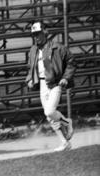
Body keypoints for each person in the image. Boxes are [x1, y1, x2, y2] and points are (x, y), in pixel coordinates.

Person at [26, 22, 76, 151]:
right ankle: (65, 143)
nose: (36, 37)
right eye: (34, 35)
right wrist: (30, 79)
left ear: (45, 32)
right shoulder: (33, 50)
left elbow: (71, 62)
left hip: (55, 83)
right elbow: (31, 68)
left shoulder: (58, 47)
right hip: (42, 84)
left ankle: (67, 122)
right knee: (49, 116)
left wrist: (65, 77)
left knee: (49, 111)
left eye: (38, 34)